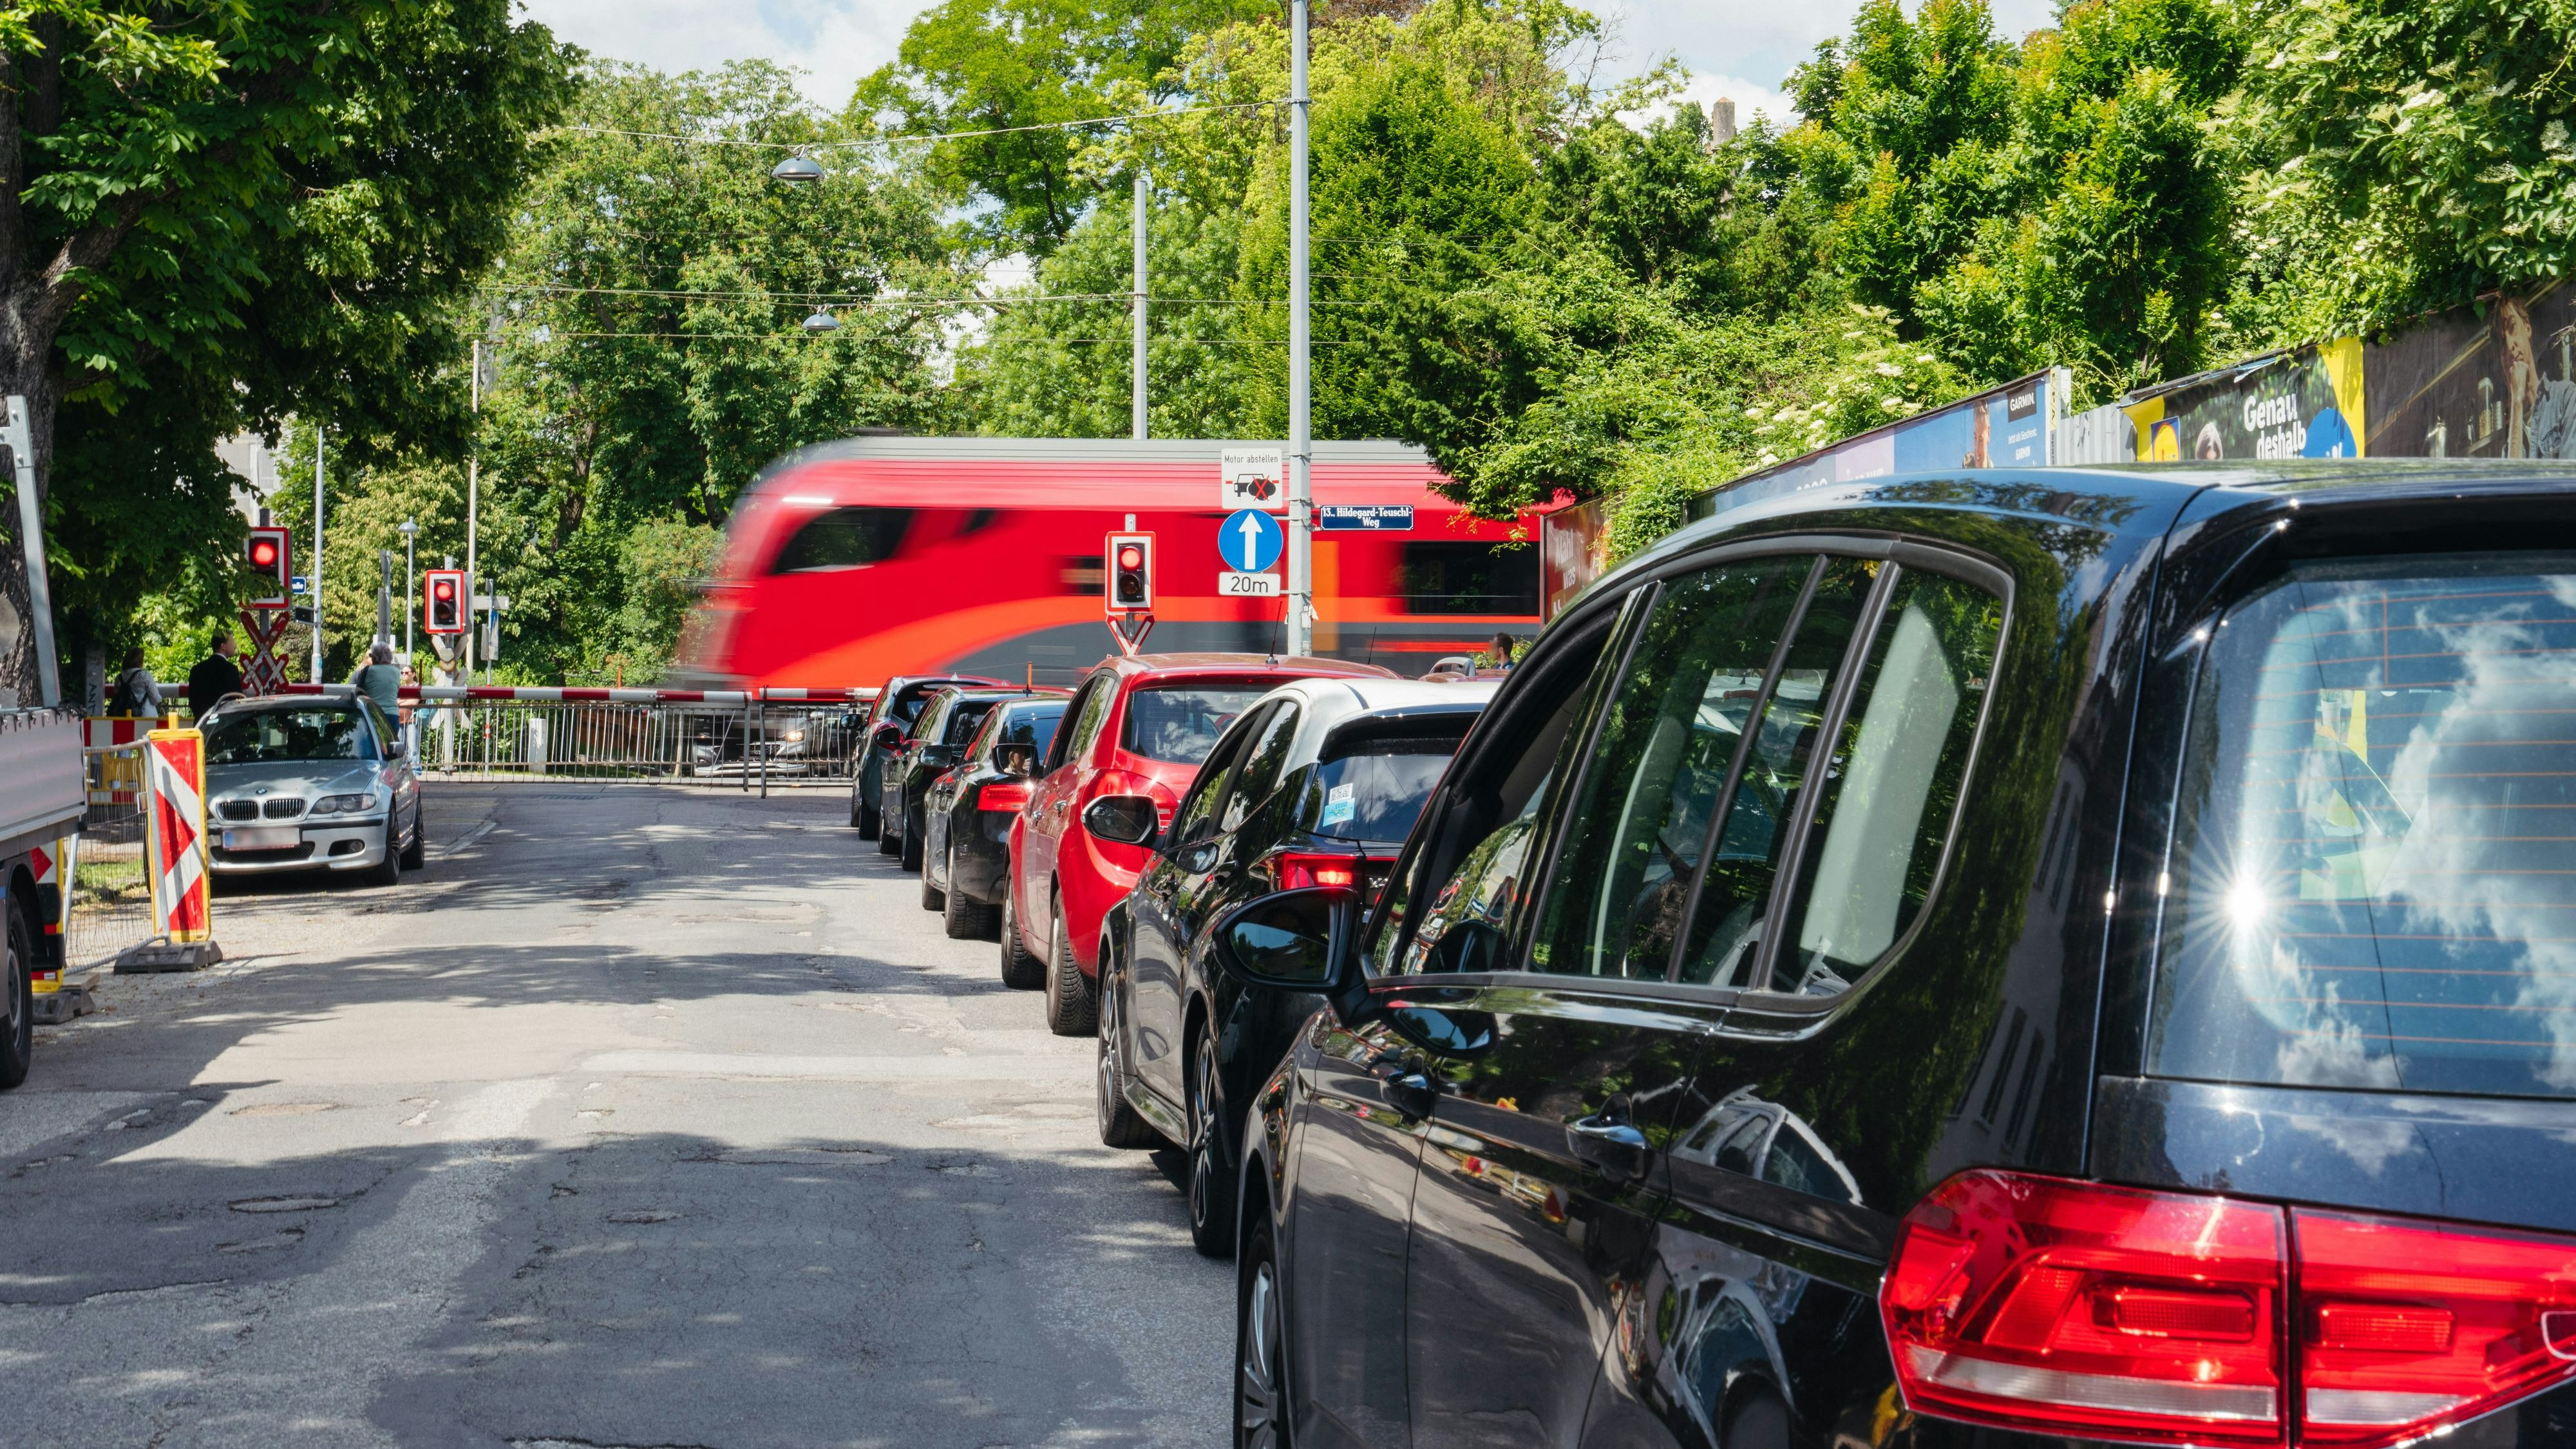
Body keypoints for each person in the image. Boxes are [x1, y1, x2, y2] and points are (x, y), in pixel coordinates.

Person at [187, 632, 246, 717]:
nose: (235, 646)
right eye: (232, 642)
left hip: (202, 723)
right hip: (224, 723)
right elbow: (236, 700)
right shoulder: (231, 670)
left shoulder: (196, 670)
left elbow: (193, 702)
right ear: (223, 646)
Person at [350, 642, 402, 716]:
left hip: (373, 713)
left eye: (372, 656)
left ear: (376, 657)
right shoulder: (396, 672)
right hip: (393, 714)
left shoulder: (368, 670)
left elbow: (358, 690)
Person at [110, 647, 162, 718]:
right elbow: (156, 699)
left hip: (124, 717)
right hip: (145, 717)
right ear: (140, 661)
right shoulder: (145, 675)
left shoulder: (119, 678)